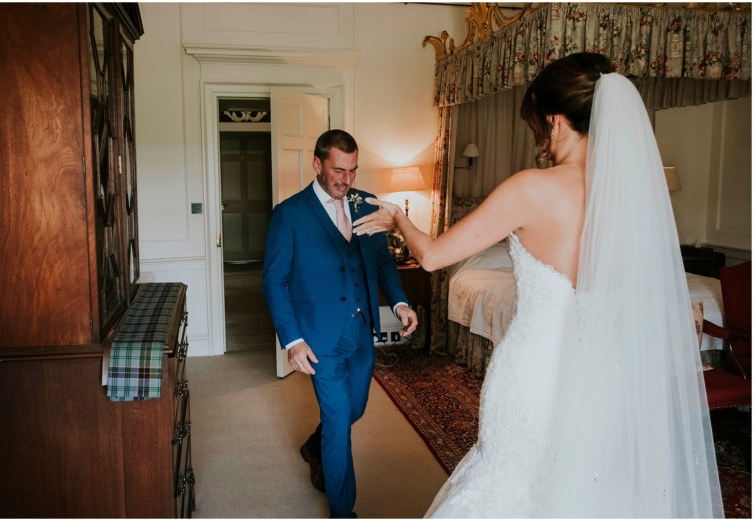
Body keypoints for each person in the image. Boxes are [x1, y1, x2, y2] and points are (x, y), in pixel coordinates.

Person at [353, 53, 723, 517]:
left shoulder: (531, 188)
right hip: (608, 374)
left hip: (534, 372)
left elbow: (430, 257)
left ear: (554, 119)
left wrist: (399, 217)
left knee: (514, 479)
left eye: (538, 125)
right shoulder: (634, 198)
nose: (539, 139)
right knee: (595, 487)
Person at [262, 129, 419, 519]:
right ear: (317, 164)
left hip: (361, 331)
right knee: (338, 424)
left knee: (356, 409)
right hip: (318, 337)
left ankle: (314, 445)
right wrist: (293, 339)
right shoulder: (289, 214)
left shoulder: (367, 205)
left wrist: (399, 302)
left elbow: (383, 262)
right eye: (338, 170)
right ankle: (342, 511)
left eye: (352, 170)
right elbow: (274, 281)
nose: (346, 180)